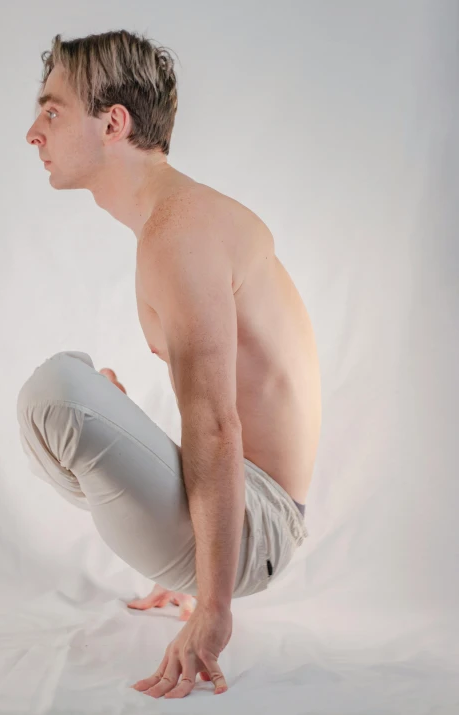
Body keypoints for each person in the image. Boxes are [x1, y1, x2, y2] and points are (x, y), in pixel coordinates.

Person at [19, 29, 321, 700]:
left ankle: (204, 577)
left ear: (114, 122)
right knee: (79, 396)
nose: (33, 133)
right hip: (246, 515)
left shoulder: (180, 231)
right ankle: (188, 557)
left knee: (56, 393)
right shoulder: (174, 222)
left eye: (52, 110)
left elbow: (216, 424)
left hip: (257, 524)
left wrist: (213, 606)